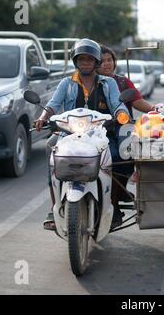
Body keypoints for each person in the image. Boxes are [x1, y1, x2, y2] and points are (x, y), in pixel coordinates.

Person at [34, 39, 130, 230]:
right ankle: (54, 207)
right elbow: (53, 104)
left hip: (100, 135)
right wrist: (43, 117)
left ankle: (114, 206)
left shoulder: (108, 83)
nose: (85, 63)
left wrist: (121, 114)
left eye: (89, 59)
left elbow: (117, 103)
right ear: (75, 61)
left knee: (117, 157)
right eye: (81, 59)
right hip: (69, 135)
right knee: (51, 150)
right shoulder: (66, 83)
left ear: (96, 62)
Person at [98, 45, 155, 226]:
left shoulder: (122, 82)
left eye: (109, 60)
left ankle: (116, 200)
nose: (106, 64)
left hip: (120, 130)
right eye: (102, 61)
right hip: (94, 132)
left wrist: (160, 110)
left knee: (126, 155)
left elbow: (139, 102)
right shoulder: (88, 83)